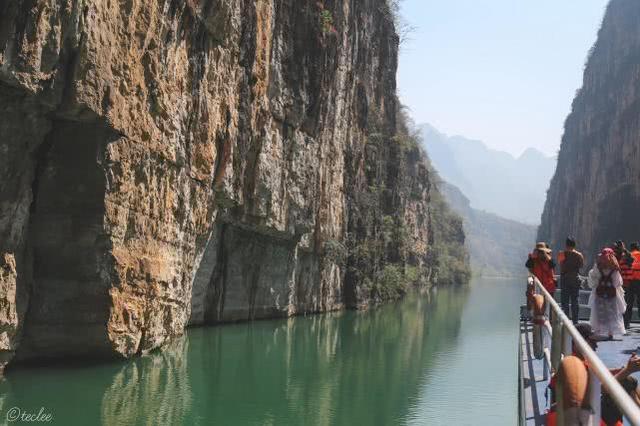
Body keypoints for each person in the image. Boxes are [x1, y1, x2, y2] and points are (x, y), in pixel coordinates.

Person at [587, 248, 626, 339]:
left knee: (599, 311)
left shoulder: (598, 266)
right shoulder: (614, 268)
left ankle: (598, 330)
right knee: (612, 313)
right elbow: (618, 282)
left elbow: (593, 280)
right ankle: (610, 332)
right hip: (612, 294)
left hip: (599, 293)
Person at [558, 237, 585, 323]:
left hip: (565, 280)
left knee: (565, 301)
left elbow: (561, 267)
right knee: (575, 300)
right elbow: (581, 266)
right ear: (574, 245)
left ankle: (566, 321)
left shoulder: (562, 254)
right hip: (575, 279)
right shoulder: (579, 255)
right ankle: (575, 321)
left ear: (566, 245)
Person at [624, 242, 640, 328]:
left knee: (629, 302)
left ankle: (627, 323)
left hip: (630, 281)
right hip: (639, 281)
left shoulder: (629, 255)